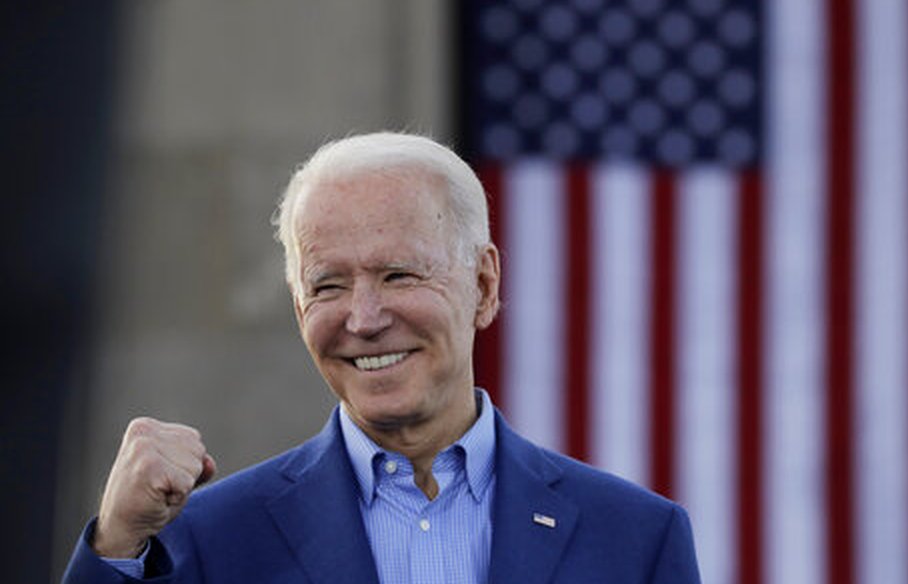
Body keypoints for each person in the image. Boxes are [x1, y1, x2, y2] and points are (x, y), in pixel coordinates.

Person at [62, 132, 701, 583]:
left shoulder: (635, 540)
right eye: (329, 286)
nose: (364, 320)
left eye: (398, 275)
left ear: (483, 285)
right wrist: (116, 546)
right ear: (297, 306)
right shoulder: (200, 540)